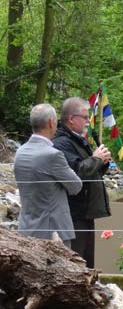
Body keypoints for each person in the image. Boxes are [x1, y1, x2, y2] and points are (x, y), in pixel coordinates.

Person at [52, 97, 112, 268]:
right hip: (74, 213)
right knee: (76, 263)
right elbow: (76, 173)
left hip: (85, 213)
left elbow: (92, 171)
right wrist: (95, 159)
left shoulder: (78, 139)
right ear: (71, 119)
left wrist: (102, 162)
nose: (88, 122)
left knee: (87, 263)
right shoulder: (61, 143)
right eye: (85, 117)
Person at [15, 104, 82, 246]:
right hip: (53, 233)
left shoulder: (20, 152)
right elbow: (76, 186)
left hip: (26, 228)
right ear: (51, 122)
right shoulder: (53, 155)